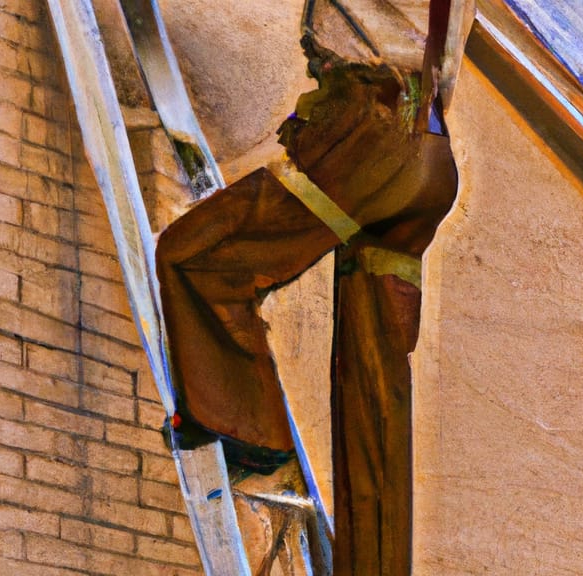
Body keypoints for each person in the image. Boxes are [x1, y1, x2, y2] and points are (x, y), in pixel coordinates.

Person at [156, 4, 456, 572]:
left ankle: (249, 428)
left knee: (195, 256)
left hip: (375, 138)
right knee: (374, 384)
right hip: (433, 157)